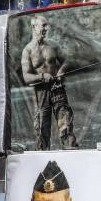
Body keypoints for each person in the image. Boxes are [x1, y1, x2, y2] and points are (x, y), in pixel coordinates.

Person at [21, 14, 77, 149]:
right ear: (34, 27)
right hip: (40, 94)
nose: (46, 28)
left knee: (66, 125)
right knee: (41, 130)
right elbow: (26, 77)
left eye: (47, 25)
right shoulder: (27, 50)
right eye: (43, 26)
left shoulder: (53, 45)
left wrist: (61, 71)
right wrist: (41, 77)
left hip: (57, 89)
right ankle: (43, 157)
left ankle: (72, 152)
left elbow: (67, 60)